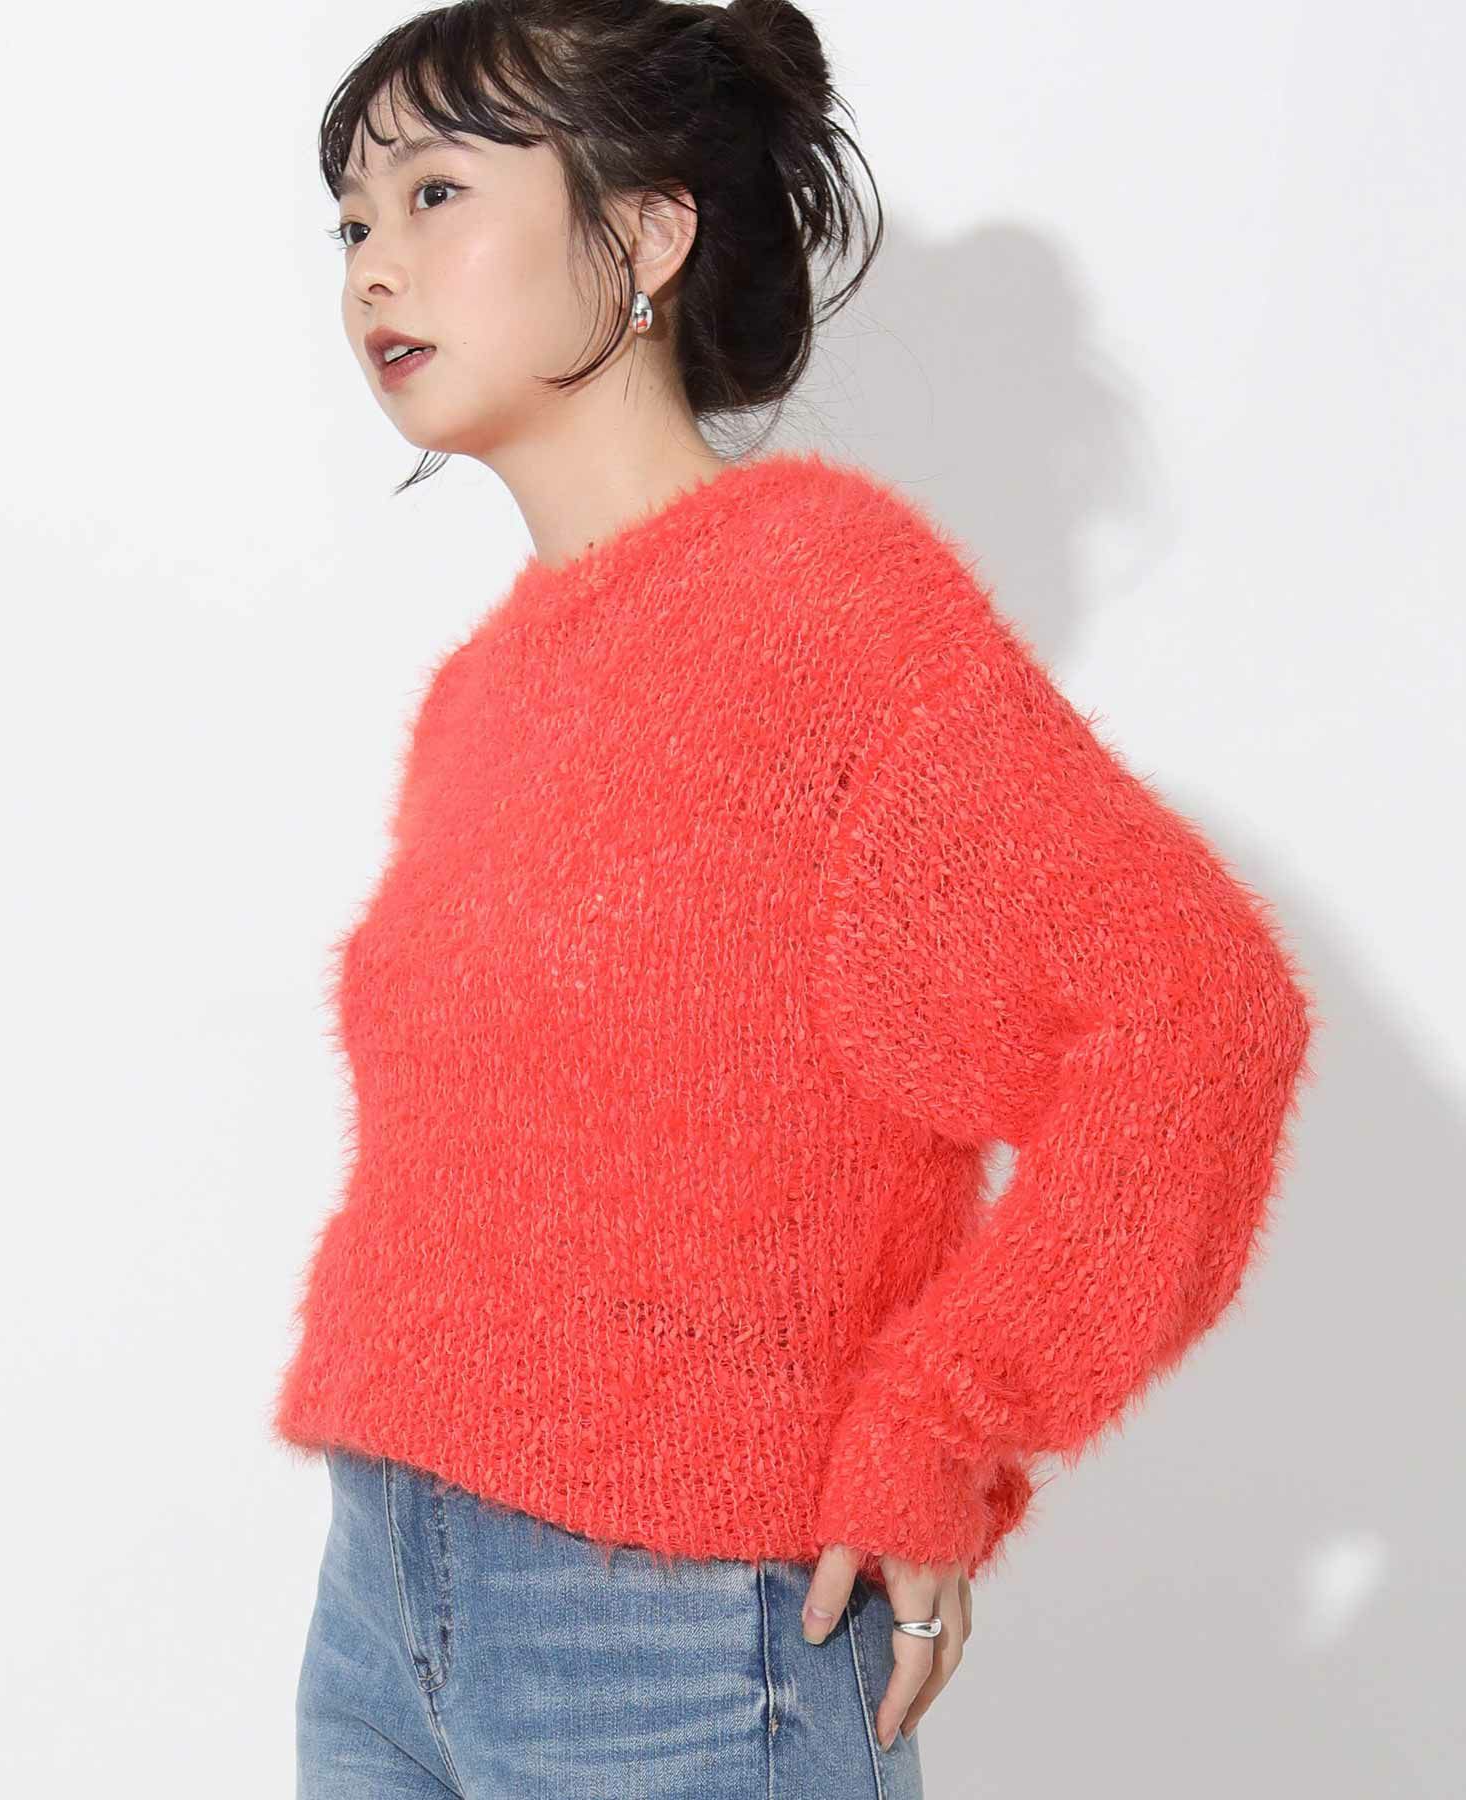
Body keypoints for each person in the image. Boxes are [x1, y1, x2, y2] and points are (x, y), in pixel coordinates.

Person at [270, 3, 1319, 1796]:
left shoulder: (826, 612)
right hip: (381, 1611)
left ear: (647, 231)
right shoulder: (483, 693)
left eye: (436, 193)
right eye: (353, 220)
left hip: (677, 1653)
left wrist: (946, 1431)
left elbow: (1197, 1018)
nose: (374, 263)